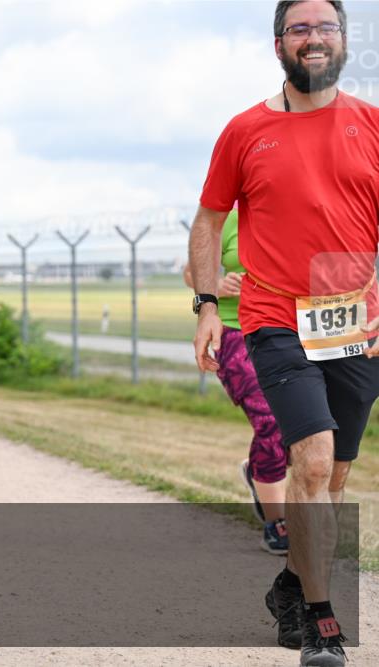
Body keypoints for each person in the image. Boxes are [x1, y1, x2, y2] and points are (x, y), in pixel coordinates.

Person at [189, 2, 379, 665]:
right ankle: (322, 625)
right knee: (314, 459)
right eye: (300, 28)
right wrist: (208, 304)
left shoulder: (372, 124)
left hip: (356, 323)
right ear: (279, 46)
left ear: (344, 40)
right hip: (275, 321)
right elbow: (210, 220)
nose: (314, 38)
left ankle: (291, 588)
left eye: (325, 27)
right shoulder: (246, 130)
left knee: (330, 483)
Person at [184, 210, 289, 555]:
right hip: (234, 334)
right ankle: (277, 523)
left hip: (288, 333)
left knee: (301, 426)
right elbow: (191, 272)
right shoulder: (226, 218)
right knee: (269, 421)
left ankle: (258, 471)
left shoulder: (295, 209)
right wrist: (215, 285)